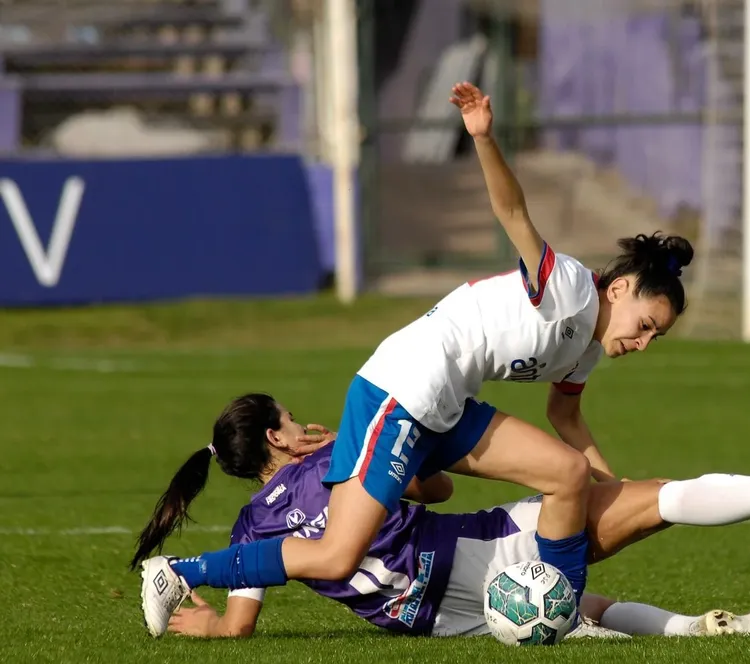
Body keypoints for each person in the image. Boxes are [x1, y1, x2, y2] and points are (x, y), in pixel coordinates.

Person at [140, 79, 699, 616]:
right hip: (410, 391)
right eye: (647, 325)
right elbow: (512, 214)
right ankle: (181, 572)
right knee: (337, 557)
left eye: (657, 335)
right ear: (619, 290)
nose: (645, 341)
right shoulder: (570, 288)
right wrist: (483, 137)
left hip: (442, 405)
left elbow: (561, 419)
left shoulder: (587, 345)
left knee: (568, 473)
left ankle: (564, 611)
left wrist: (612, 485)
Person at [135, 394, 750, 639]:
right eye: (292, 418)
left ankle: (696, 629)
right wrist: (362, 451)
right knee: (654, 498)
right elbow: (438, 491)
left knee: (580, 611)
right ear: (277, 437)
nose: (304, 422)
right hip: (483, 549)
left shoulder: (250, 532)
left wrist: (205, 623)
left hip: (436, 620)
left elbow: (239, 625)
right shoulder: (340, 462)